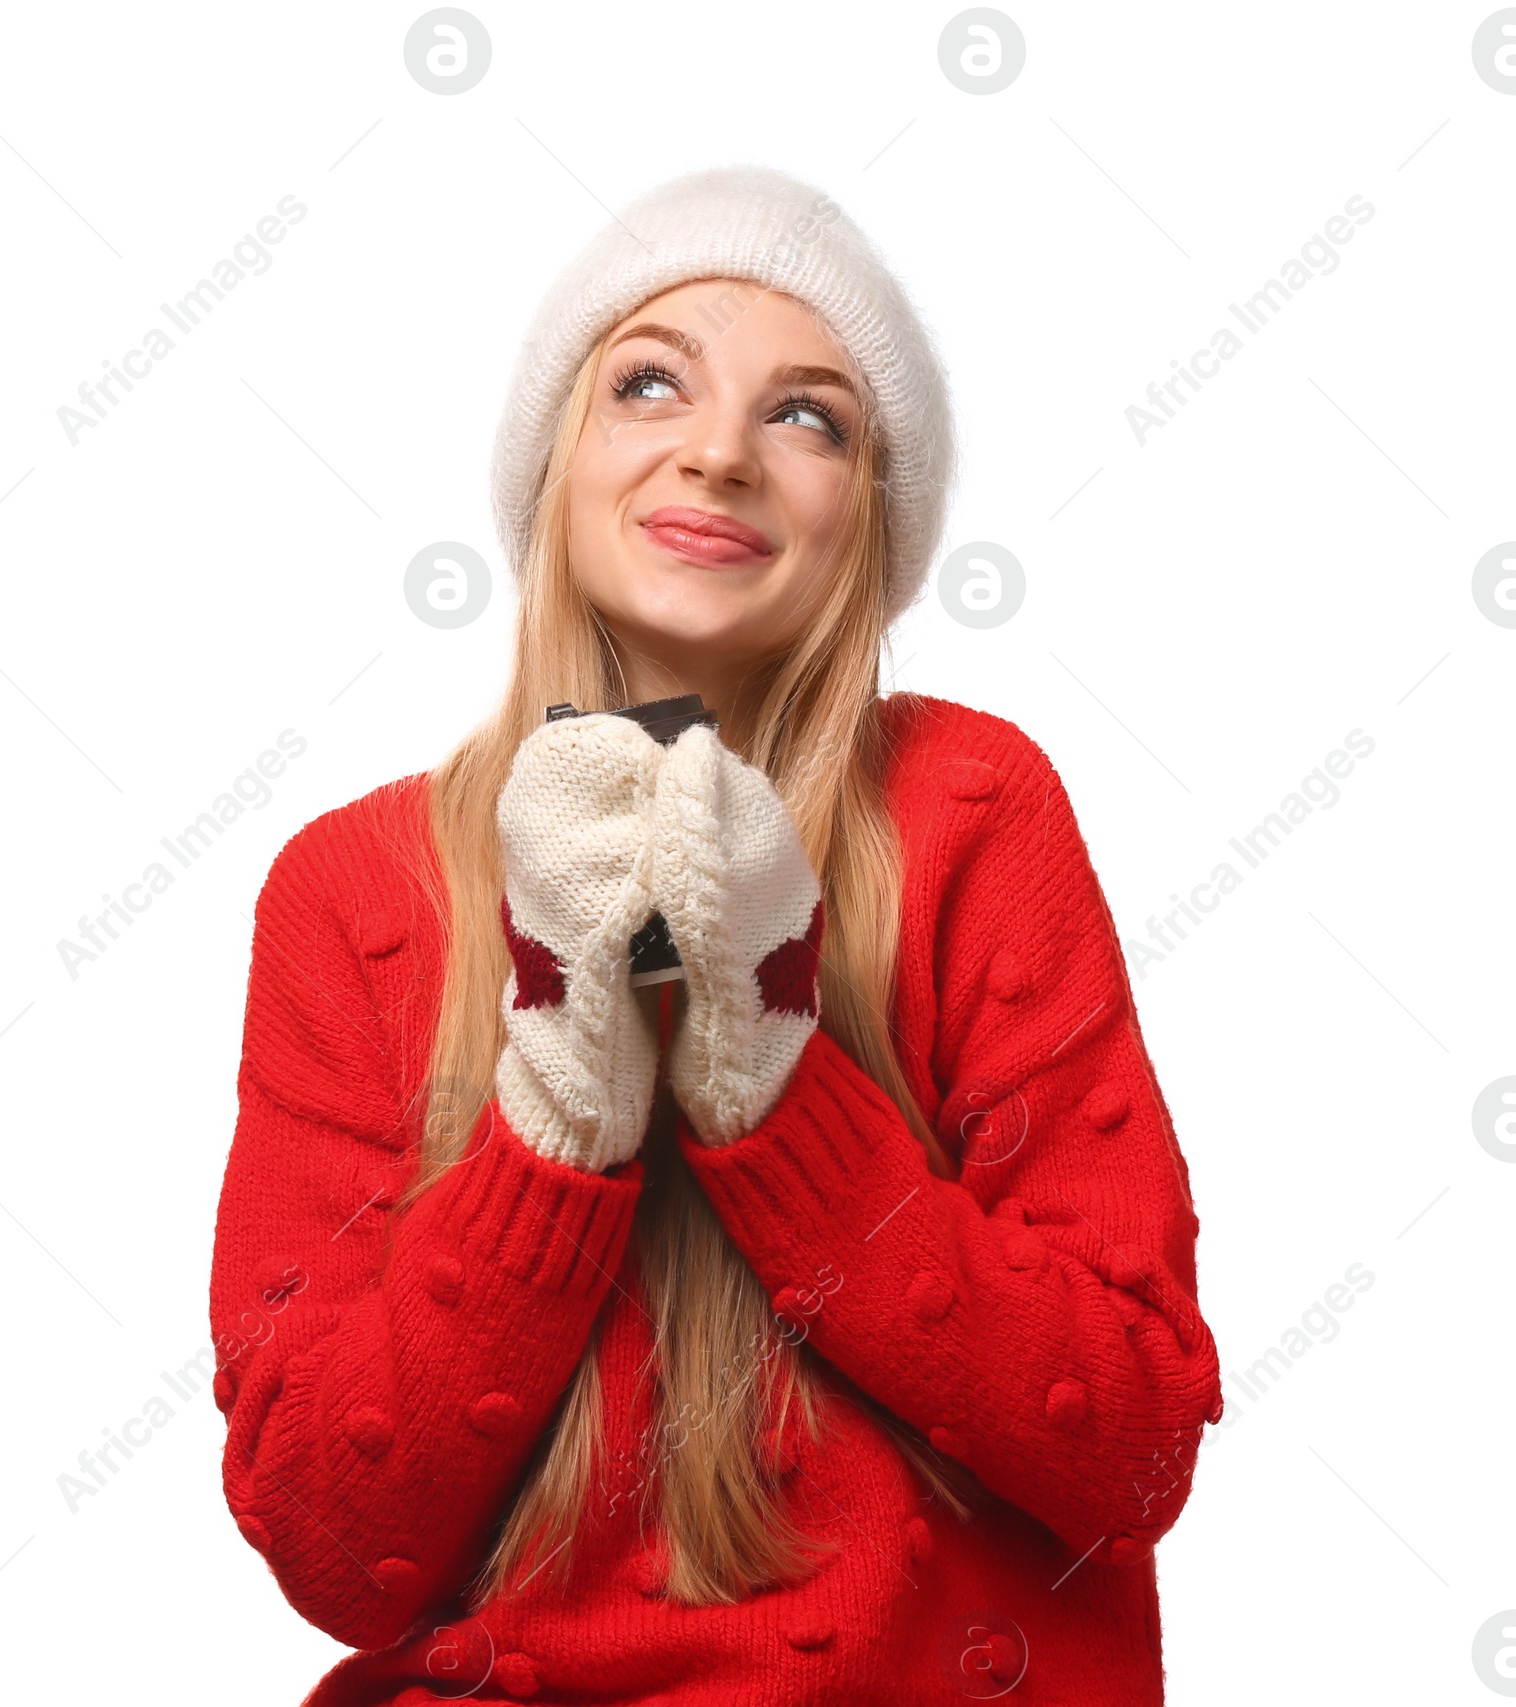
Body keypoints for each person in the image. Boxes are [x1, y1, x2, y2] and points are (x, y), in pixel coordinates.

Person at [209, 163, 1224, 1707]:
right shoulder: (356, 890)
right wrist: (559, 1109)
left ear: (869, 521)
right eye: (648, 382)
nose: (718, 450)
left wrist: (782, 1085)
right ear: (554, 462)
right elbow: (336, 1554)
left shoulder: (970, 812)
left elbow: (1137, 1445)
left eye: (806, 415)